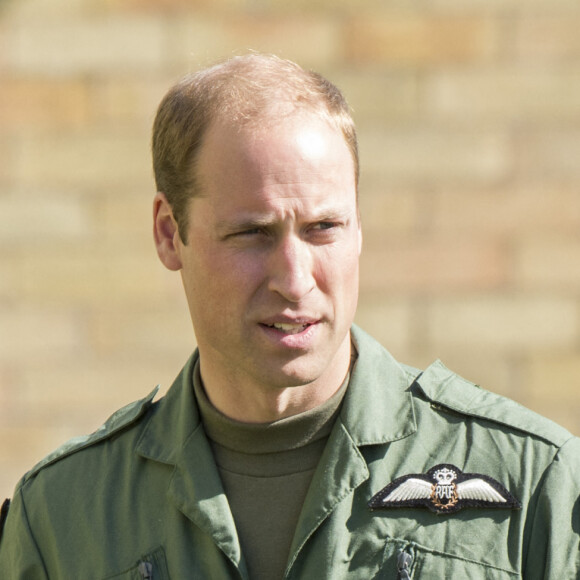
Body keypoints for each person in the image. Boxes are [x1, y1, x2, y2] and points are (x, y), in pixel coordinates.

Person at [0, 53, 579, 579]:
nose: (295, 278)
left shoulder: (533, 485)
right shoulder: (60, 517)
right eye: (252, 233)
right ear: (169, 232)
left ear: (359, 226)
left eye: (323, 228)